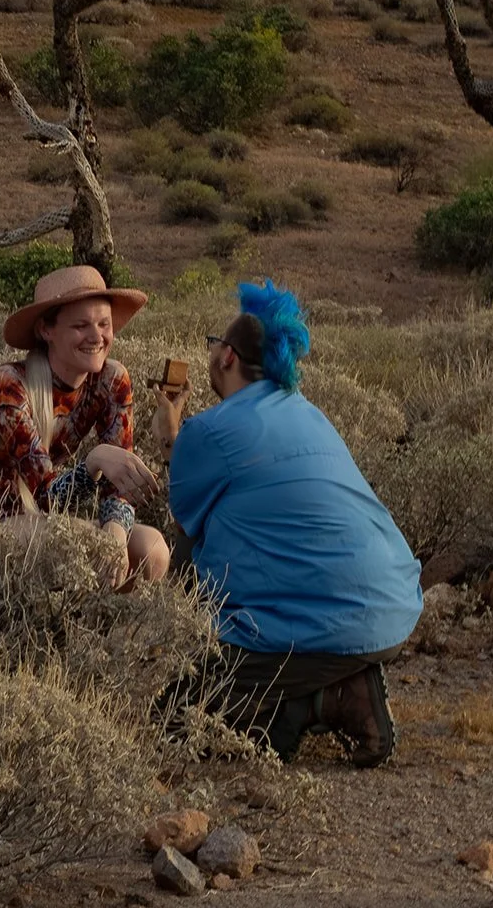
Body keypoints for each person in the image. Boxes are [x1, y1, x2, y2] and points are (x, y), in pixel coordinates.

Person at [152, 279, 422, 764]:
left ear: (227, 356)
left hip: (327, 628)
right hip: (394, 610)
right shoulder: (309, 412)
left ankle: (322, 700)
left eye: (215, 344)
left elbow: (184, 529)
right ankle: (341, 680)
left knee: (172, 719)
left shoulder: (207, 431)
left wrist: (172, 440)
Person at [0, 265, 169, 587]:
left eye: (104, 324)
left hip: (36, 520)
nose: (96, 336)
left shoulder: (111, 381)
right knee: (79, 540)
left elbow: (119, 490)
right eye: (81, 326)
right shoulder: (6, 385)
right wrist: (95, 461)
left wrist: (114, 532)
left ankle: (98, 616)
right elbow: (47, 495)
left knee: (151, 548)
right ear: (46, 330)